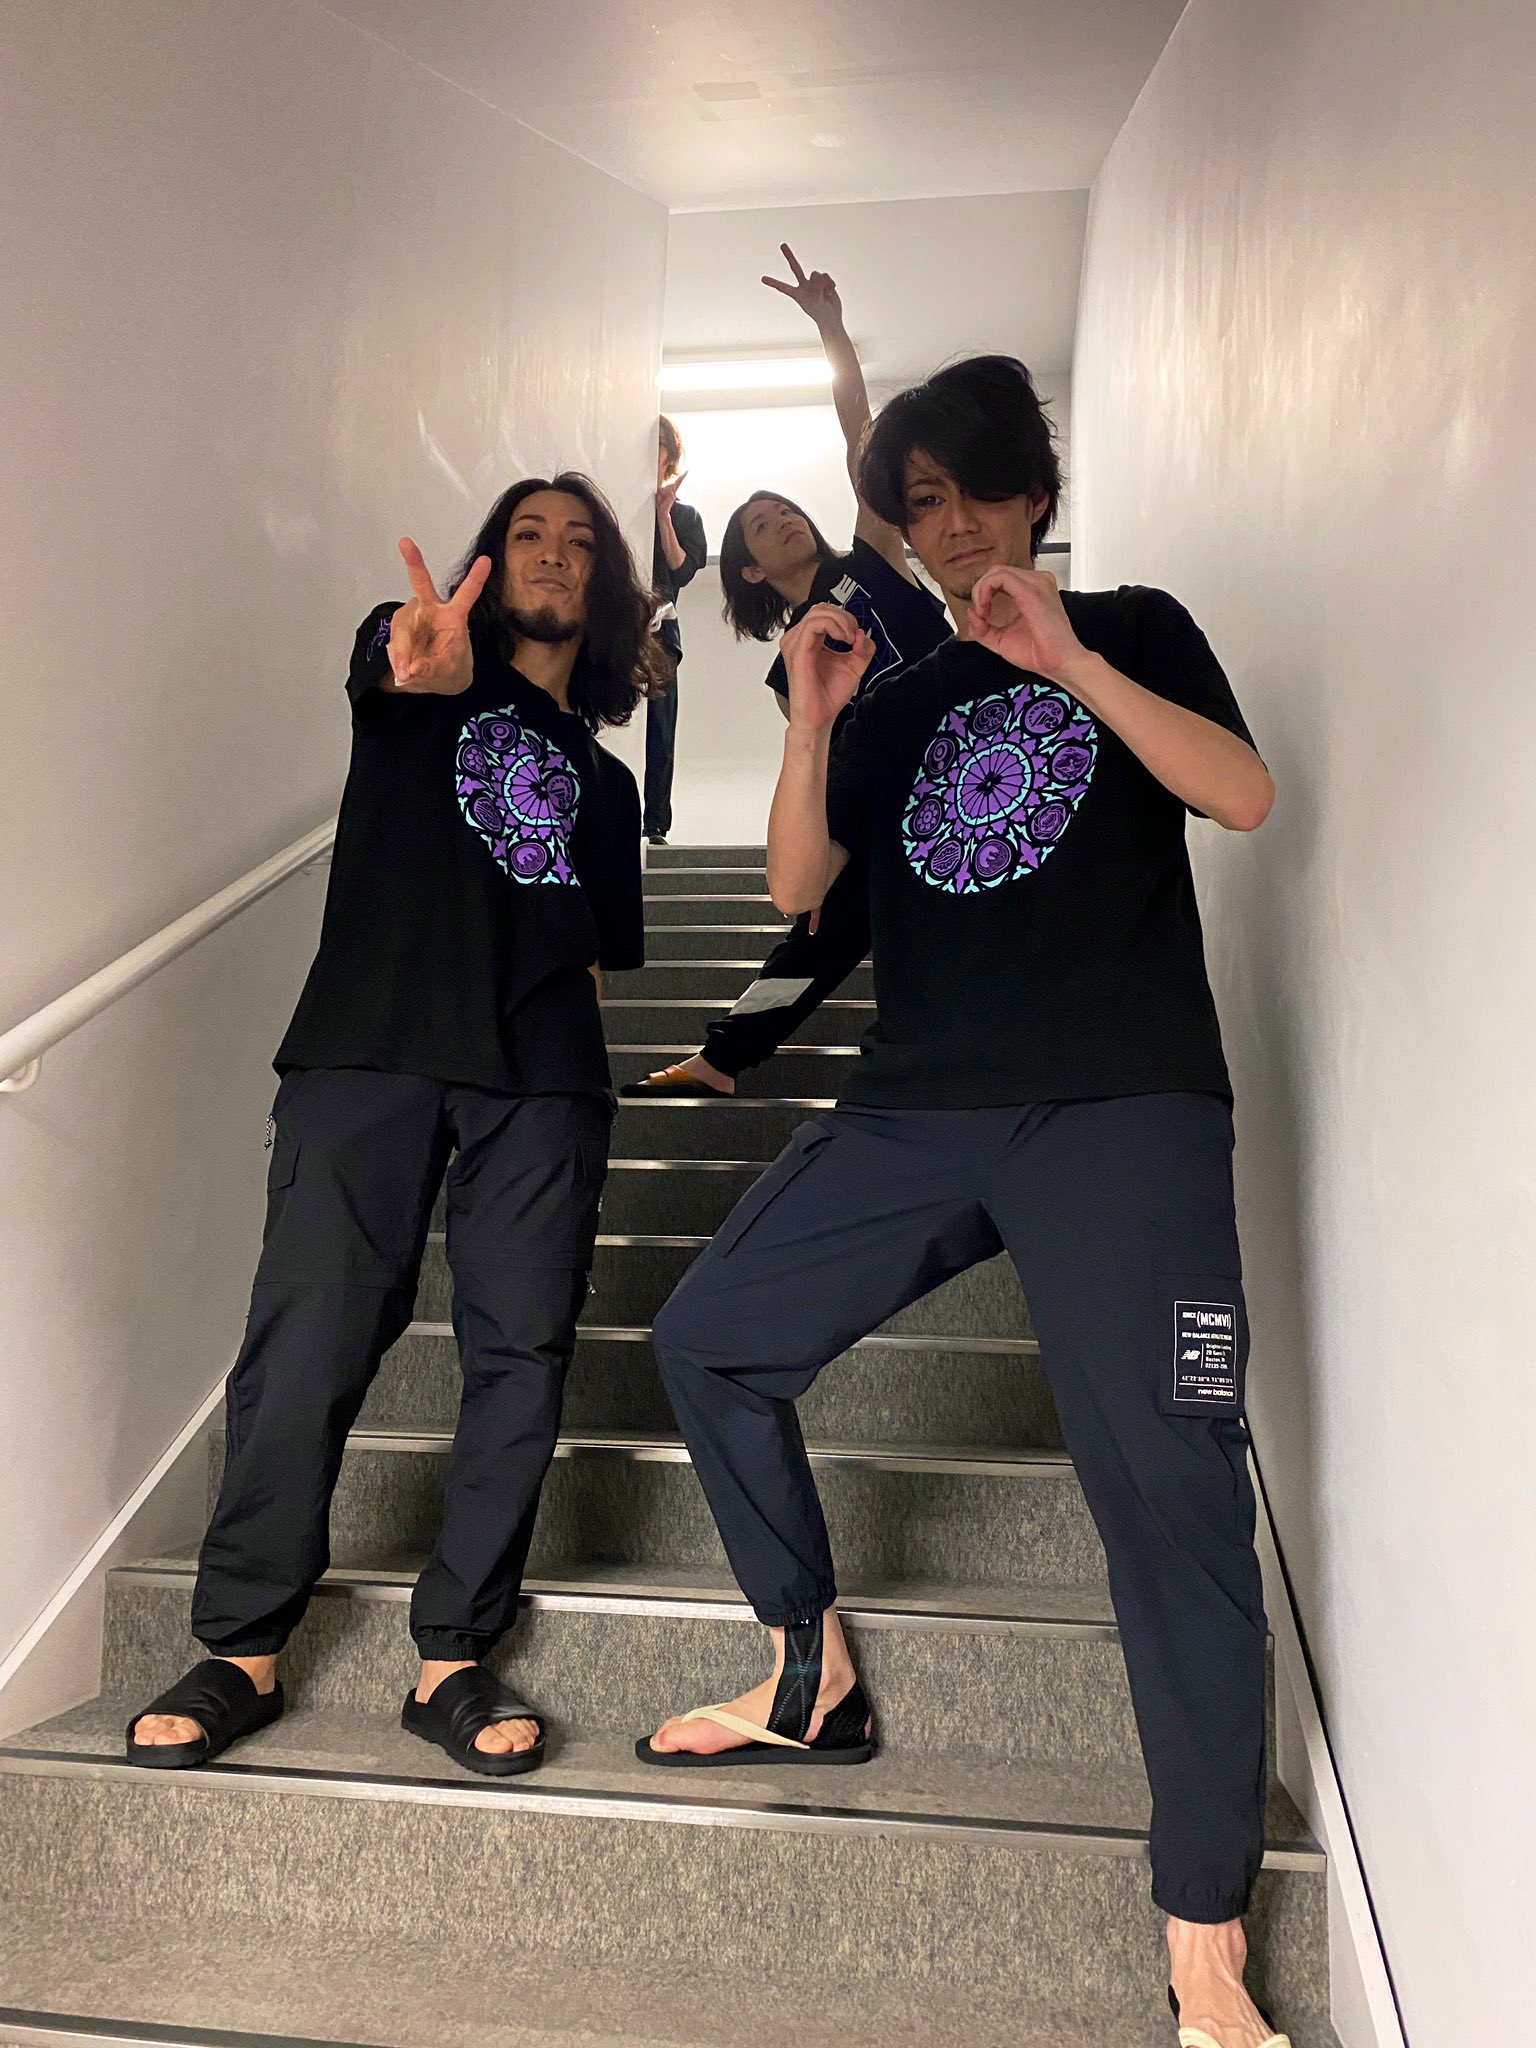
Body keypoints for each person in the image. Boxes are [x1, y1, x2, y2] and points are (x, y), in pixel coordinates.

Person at [638, 356, 1292, 2048]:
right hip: (915, 1110)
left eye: (975, 494)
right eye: (918, 504)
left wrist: (1069, 663)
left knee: (1167, 1485)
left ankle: (1203, 1920)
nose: (950, 529)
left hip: (1122, 1110)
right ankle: (810, 1668)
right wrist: (810, 719)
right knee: (708, 1336)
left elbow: (1240, 792)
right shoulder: (903, 698)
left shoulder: (1134, 625)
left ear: (1034, 499)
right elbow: (799, 888)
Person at [128, 474, 652, 1780]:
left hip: (542, 1079)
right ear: (491, 562)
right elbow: (400, 658)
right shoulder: (424, 668)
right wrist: (416, 664)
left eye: (580, 543)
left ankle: (452, 1657)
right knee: (307, 1337)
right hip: (369, 1046)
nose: (554, 554)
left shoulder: (604, 781)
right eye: (528, 534)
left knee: (519, 1357)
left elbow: (596, 950)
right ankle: (243, 1646)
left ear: (604, 587)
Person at [623, 247, 951, 1099]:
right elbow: (820, 757)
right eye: (762, 526)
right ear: (750, 570)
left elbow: (862, 437)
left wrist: (831, 330)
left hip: (965, 744)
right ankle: (723, 1059)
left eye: (785, 510)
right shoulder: (788, 665)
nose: (782, 520)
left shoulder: (874, 560)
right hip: (885, 792)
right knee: (820, 914)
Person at [645, 416, 708, 846]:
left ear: (670, 455)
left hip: (660, 629)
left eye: (659, 445)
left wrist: (663, 515)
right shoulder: (610, 506)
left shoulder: (685, 515)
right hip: (611, 625)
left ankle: (654, 823)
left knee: (660, 726)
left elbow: (681, 571)